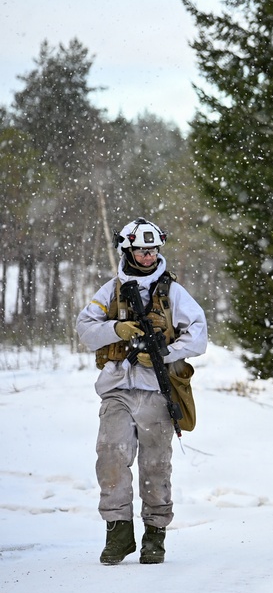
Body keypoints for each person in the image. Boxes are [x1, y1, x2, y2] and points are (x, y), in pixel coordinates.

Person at [76, 218, 208, 564]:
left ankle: (155, 537)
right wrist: (117, 328)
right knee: (111, 458)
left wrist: (165, 353)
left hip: (155, 392)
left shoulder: (172, 292)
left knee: (155, 466)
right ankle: (118, 534)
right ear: (127, 250)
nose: (148, 256)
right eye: (141, 250)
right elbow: (85, 329)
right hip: (117, 387)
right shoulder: (112, 290)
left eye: (152, 250)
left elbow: (198, 335)